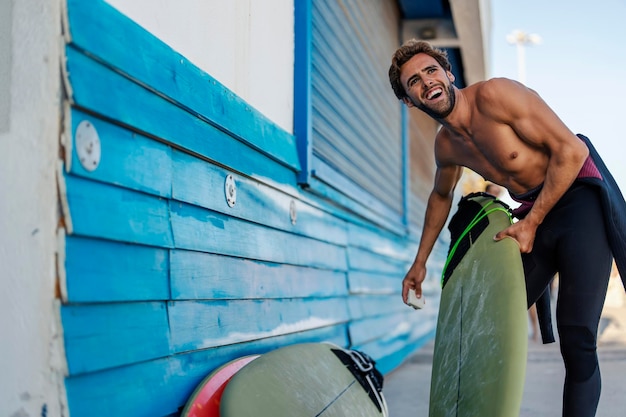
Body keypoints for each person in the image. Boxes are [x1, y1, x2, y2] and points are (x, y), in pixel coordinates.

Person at [389, 39, 626, 417]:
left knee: (578, 336)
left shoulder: (496, 96)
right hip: (535, 215)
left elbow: (572, 151)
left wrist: (530, 223)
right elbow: (440, 196)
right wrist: (418, 264)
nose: (426, 81)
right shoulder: (446, 146)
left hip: (579, 202)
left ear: (448, 74)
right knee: (487, 321)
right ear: (409, 100)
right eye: (413, 82)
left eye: (431, 70)